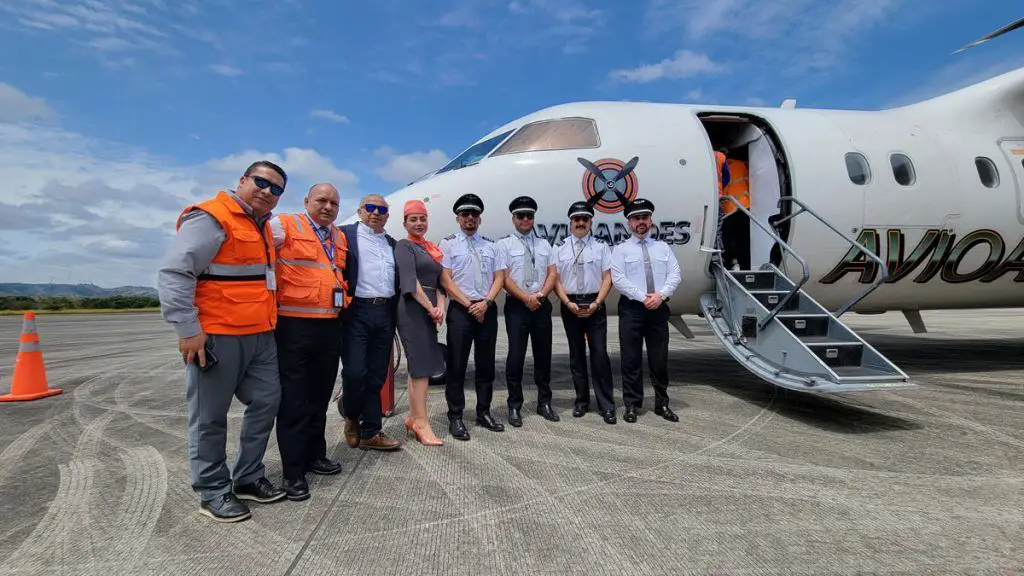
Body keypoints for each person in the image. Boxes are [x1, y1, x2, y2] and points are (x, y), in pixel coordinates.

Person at [157, 160, 288, 523]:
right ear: (243, 180)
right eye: (261, 182)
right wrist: (188, 329)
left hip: (260, 335)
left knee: (267, 401)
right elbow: (175, 272)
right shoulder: (212, 217)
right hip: (217, 335)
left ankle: (248, 477)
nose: (268, 191)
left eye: (277, 189)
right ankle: (213, 490)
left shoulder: (263, 226)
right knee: (209, 417)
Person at [268, 182, 348, 502]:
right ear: (306, 201)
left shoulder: (339, 236)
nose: (328, 207)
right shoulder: (284, 225)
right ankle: (293, 471)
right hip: (293, 326)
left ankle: (316, 455)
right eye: (321, 200)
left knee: (319, 397)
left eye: (334, 203)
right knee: (294, 400)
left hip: (329, 326)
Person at [439, 193, 506, 441]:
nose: (470, 218)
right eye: (465, 214)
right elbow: (445, 280)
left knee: (486, 365)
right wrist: (470, 305)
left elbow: (499, 277)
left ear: (480, 219)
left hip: (486, 309)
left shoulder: (491, 245)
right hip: (462, 310)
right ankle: (455, 416)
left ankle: (483, 412)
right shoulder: (448, 244)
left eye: (474, 214)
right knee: (456, 366)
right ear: (458, 218)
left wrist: (486, 302)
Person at [610, 198, 682, 424]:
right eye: (636, 218)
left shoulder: (663, 248)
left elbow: (675, 274)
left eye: (644, 217)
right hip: (632, 309)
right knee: (630, 359)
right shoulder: (621, 250)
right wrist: (644, 298)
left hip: (658, 308)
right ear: (629, 223)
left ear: (651, 220)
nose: (641, 222)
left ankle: (662, 404)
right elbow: (618, 279)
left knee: (659, 360)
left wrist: (661, 296)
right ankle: (632, 404)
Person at [339, 195, 401, 451]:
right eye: (370, 208)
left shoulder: (392, 243)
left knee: (377, 376)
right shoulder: (345, 235)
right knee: (355, 372)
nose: (376, 212)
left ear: (387, 215)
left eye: (381, 209)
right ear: (360, 211)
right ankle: (352, 415)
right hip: (357, 311)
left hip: (385, 312)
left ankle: (371, 432)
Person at [494, 195, 557, 426]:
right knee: (516, 357)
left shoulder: (544, 244)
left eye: (529, 216)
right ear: (513, 218)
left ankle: (544, 402)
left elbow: (552, 273)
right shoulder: (504, 245)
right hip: (517, 306)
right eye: (520, 216)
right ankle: (514, 405)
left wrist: (540, 295)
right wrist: (526, 297)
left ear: (533, 218)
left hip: (541, 304)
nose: (525, 219)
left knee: (543, 356)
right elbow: (504, 277)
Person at [552, 201, 617, 425]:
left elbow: (608, 277)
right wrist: (567, 302)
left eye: (585, 219)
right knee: (576, 355)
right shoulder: (559, 247)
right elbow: (555, 279)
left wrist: (597, 302)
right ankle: (581, 400)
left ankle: (607, 405)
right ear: (570, 222)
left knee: (599, 355)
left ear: (590, 222)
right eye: (576, 219)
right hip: (570, 305)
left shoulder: (601, 246)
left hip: (595, 304)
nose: (581, 223)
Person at [395, 199, 447, 446]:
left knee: (418, 366)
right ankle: (421, 423)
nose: (418, 223)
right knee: (421, 366)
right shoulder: (404, 246)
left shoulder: (429, 248)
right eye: (413, 219)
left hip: (429, 310)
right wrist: (431, 308)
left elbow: (440, 283)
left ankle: (414, 418)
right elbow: (411, 283)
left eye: (422, 219)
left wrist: (440, 307)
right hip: (412, 309)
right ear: (405, 222)